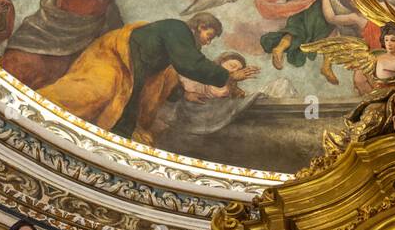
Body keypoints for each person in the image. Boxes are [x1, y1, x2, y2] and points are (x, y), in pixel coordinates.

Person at [40, 13, 254, 144]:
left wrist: (184, 93)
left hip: (133, 66)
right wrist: (227, 75)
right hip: (114, 56)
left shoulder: (178, 43)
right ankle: (41, 107)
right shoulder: (178, 29)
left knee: (128, 105)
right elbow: (188, 62)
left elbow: (168, 77)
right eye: (210, 35)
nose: (209, 42)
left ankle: (115, 144)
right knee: (94, 91)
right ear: (201, 26)